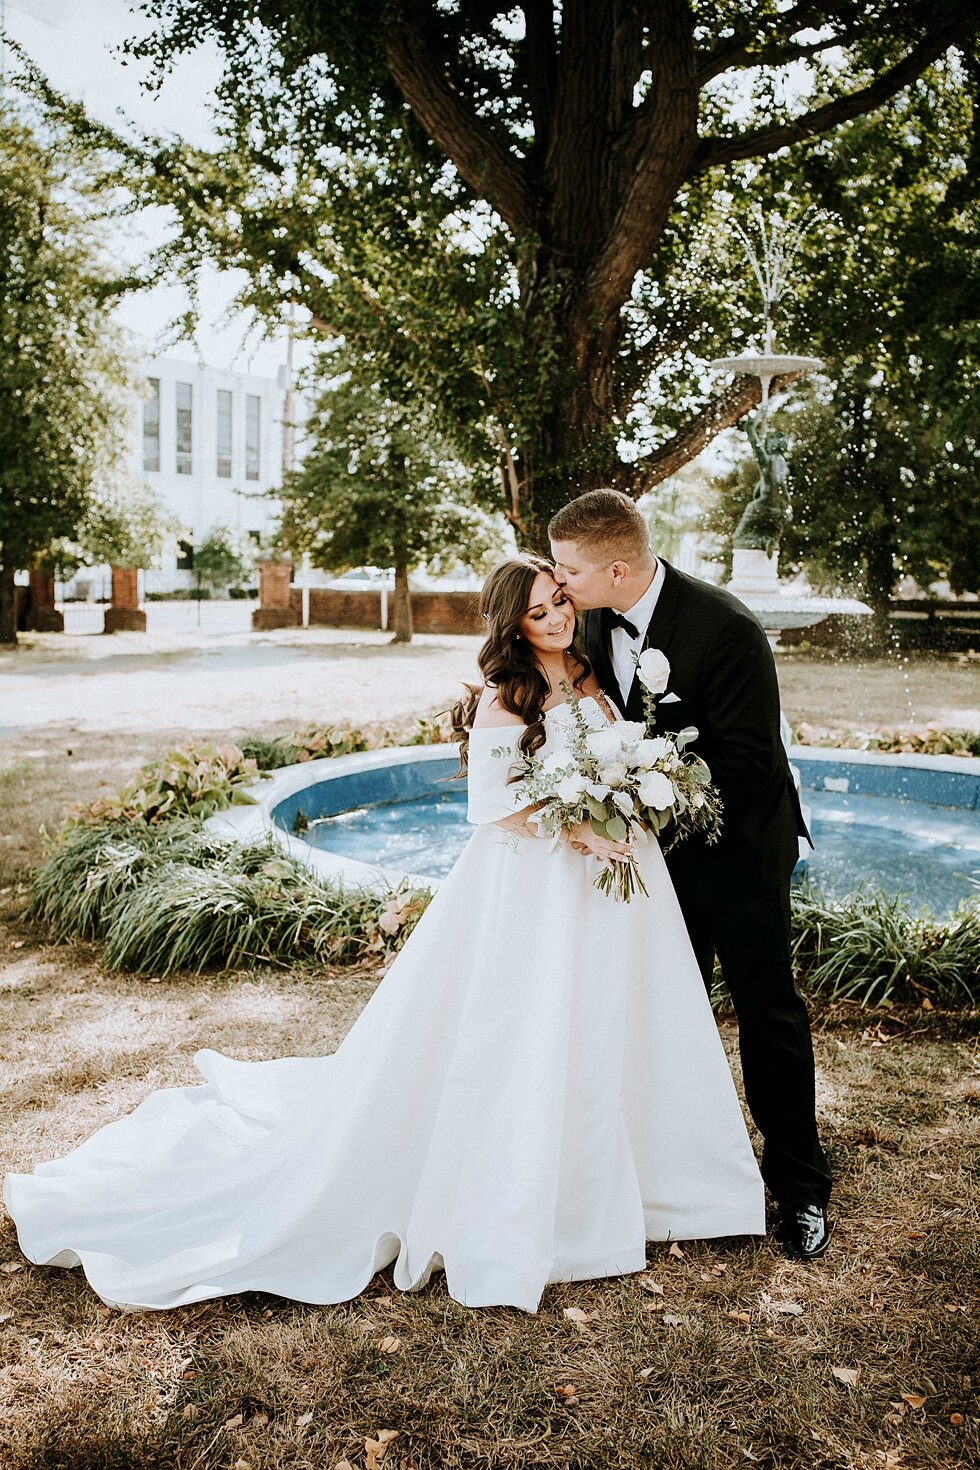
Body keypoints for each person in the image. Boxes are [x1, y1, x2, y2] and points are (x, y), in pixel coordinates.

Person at [3, 555, 764, 1315]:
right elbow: (492, 807)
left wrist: (626, 796)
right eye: (539, 611)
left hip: (612, 885)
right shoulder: (510, 698)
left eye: (561, 599)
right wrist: (577, 829)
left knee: (613, 1018)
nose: (559, 616)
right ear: (513, 624)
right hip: (533, 889)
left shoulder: (594, 677)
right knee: (525, 1028)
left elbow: (612, 756)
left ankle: (649, 1171)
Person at [549, 491, 833, 1260]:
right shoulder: (593, 619)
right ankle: (665, 1173)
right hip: (652, 859)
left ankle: (802, 1184)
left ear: (615, 567)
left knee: (766, 1011)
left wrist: (642, 793)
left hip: (740, 851)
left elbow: (749, 764)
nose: (558, 579)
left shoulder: (728, 628)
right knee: (656, 1013)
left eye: (568, 568)